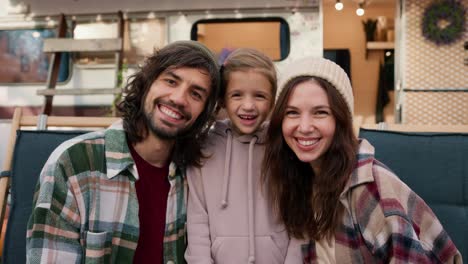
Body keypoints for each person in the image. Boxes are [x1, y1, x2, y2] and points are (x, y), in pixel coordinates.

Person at [26, 40, 220, 264]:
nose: (178, 98)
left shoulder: (196, 175)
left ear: (203, 113)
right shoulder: (72, 164)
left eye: (196, 94)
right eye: (170, 81)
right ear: (147, 83)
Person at [262, 57, 462, 263]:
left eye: (320, 112)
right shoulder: (303, 178)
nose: (304, 127)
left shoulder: (368, 189)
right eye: (292, 113)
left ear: (341, 120)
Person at [185, 48, 294, 263]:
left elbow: (299, 220)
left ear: (273, 102)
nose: (248, 106)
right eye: (237, 95)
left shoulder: (284, 148)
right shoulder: (204, 149)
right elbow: (197, 222)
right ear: (223, 100)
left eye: (260, 96)